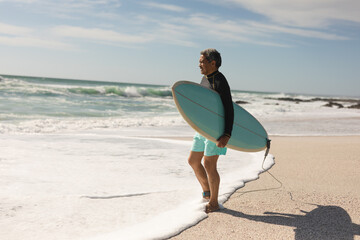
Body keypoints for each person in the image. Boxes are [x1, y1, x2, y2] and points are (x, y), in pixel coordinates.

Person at [188, 48, 234, 213]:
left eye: (202, 61)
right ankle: (207, 192)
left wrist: (227, 134)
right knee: (193, 160)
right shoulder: (205, 79)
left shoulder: (220, 81)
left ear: (212, 63)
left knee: (209, 164)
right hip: (202, 128)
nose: (199, 64)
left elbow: (229, 109)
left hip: (215, 130)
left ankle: (214, 202)